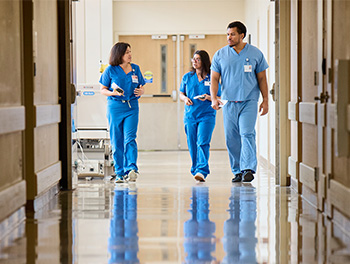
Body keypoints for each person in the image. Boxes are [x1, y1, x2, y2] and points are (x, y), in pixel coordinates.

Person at [210, 21, 269, 183]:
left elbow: (262, 78)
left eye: (232, 34)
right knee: (231, 137)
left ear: (242, 35)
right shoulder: (220, 55)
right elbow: (214, 78)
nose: (229, 37)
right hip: (228, 102)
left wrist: (265, 100)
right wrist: (214, 97)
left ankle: (248, 168)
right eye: (228, 34)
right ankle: (237, 170)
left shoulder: (255, 53)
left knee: (247, 133)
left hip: (249, 101)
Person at [100, 42, 145, 183]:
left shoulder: (135, 69)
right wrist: (112, 92)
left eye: (130, 52)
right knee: (116, 139)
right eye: (127, 52)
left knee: (130, 138)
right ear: (119, 54)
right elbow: (102, 89)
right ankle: (119, 172)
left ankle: (131, 168)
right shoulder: (110, 70)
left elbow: (141, 86)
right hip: (115, 107)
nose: (130, 55)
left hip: (132, 107)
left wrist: (142, 91)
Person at [179, 50, 221, 182]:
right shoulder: (187, 77)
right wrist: (185, 99)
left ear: (204, 61)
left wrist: (209, 97)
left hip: (207, 115)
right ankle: (195, 168)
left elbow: (219, 97)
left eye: (198, 59)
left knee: (202, 142)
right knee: (192, 144)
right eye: (194, 59)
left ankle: (202, 170)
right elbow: (181, 93)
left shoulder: (212, 77)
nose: (195, 61)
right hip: (190, 115)